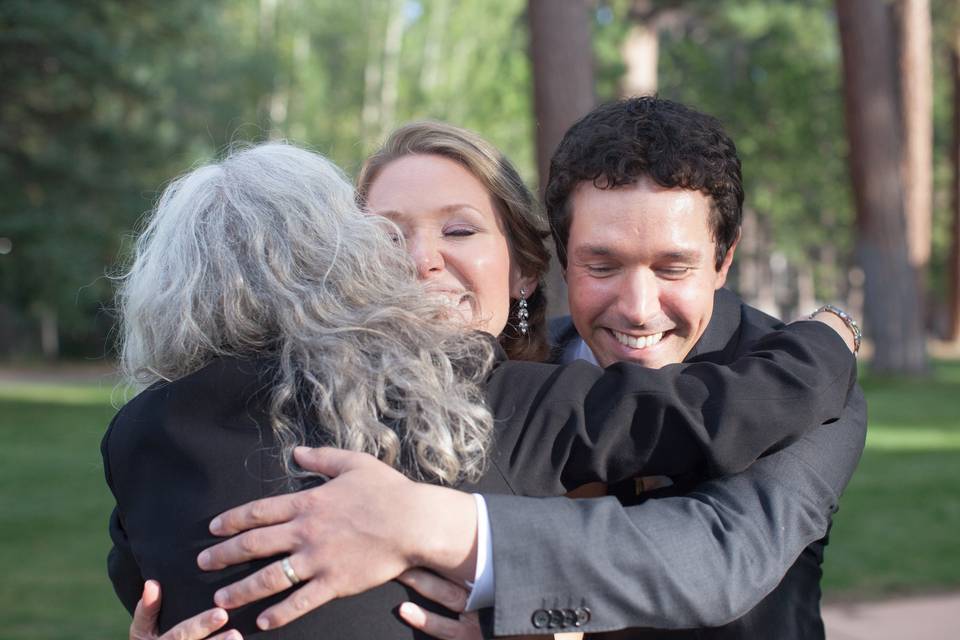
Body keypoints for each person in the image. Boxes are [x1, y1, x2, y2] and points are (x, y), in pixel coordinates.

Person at [156, 115, 862, 638]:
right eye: (602, 265)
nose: (638, 306)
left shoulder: (805, 388)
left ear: (724, 260)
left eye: (672, 267)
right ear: (560, 262)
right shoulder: (444, 392)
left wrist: (439, 527)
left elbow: (715, 560)